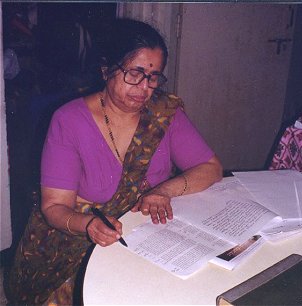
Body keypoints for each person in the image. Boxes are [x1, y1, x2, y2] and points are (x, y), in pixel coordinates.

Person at [7, 18, 223, 305]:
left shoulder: (163, 114)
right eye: (134, 73)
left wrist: (163, 191)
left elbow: (211, 168)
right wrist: (88, 225)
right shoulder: (70, 120)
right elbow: (54, 208)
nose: (144, 87)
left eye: (153, 76)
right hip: (74, 241)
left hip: (144, 238)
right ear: (107, 69)